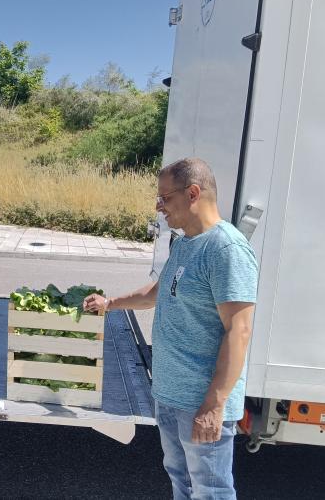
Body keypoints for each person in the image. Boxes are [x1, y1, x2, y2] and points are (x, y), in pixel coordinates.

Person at [84, 157, 258, 499]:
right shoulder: (184, 243)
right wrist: (110, 303)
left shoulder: (226, 249)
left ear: (193, 192)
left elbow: (239, 331)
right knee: (182, 482)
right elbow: (157, 292)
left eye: (165, 197)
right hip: (170, 395)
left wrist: (213, 404)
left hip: (199, 402)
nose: (158, 205)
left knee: (211, 490)